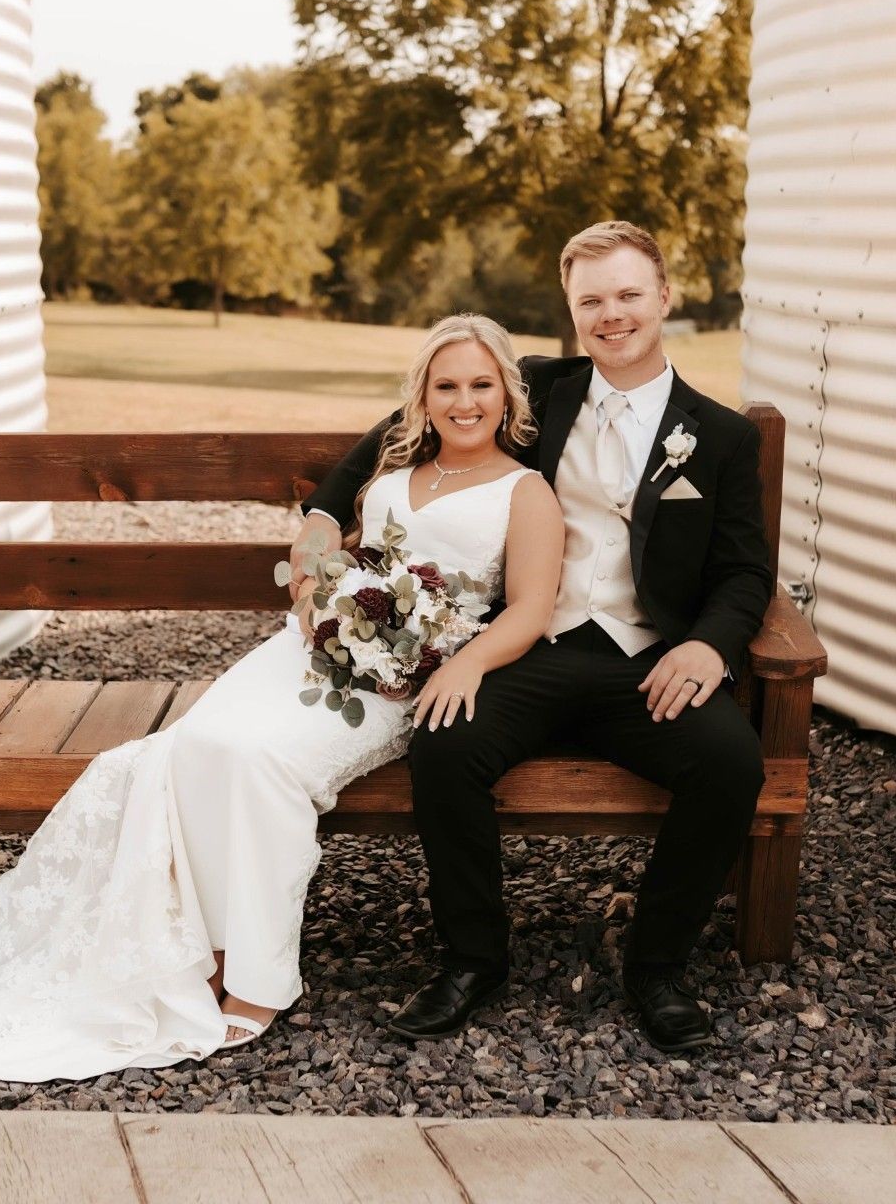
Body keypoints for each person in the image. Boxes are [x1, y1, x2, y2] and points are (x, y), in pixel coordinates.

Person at [0, 314, 564, 1081]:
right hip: (305, 655)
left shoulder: (525, 493)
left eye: (481, 385)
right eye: (447, 385)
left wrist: (461, 667)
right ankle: (195, 947)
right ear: (422, 395)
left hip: (399, 681)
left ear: (507, 396)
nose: (464, 401)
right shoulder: (391, 473)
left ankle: (260, 977)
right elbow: (333, 547)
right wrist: (315, 601)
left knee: (257, 763)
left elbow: (527, 608)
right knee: (193, 748)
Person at [292, 221, 772, 1052]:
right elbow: (384, 442)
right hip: (529, 640)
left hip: (647, 658)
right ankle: (474, 959)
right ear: (572, 310)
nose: (611, 314)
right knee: (443, 743)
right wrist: (322, 523)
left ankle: (656, 966)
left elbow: (744, 573)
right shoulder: (540, 387)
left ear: (665, 297)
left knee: (731, 762)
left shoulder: (722, 436)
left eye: (629, 295)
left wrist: (710, 645)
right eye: (592, 300)